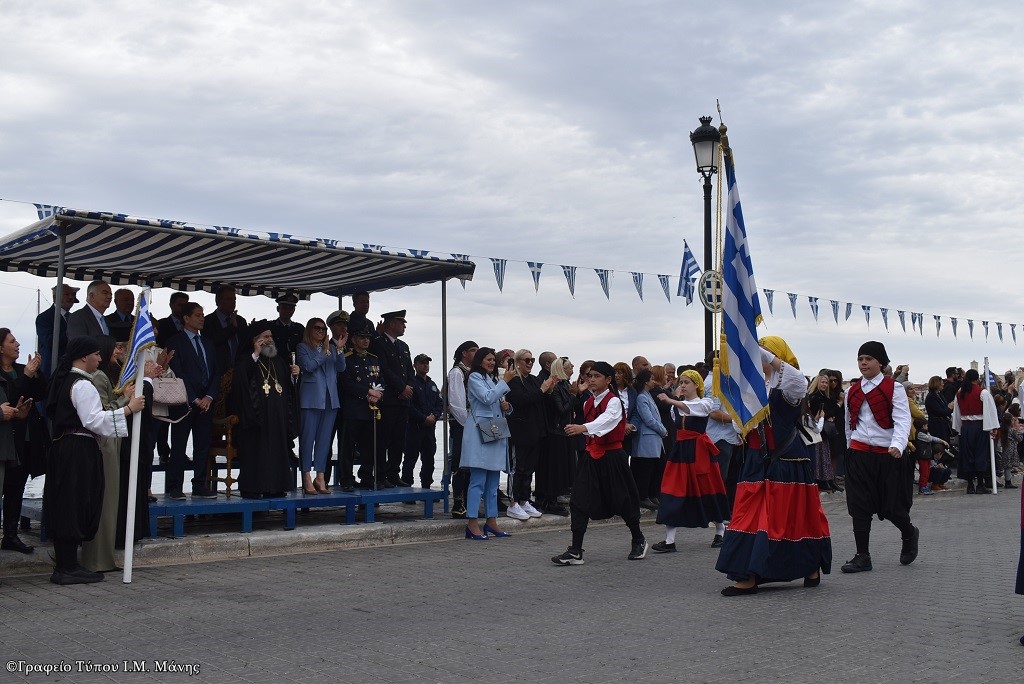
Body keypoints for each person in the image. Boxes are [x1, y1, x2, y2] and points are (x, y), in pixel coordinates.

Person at [715, 336, 831, 595]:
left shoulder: (789, 386)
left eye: (767, 351)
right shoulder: (752, 387)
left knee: (790, 518)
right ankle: (748, 572)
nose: (761, 355)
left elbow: (797, 379)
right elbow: (740, 426)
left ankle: (808, 566)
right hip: (756, 462)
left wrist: (749, 345)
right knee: (748, 516)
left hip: (786, 462)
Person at [44, 336, 145, 585]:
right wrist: (129, 409)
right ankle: (66, 567)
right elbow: (93, 419)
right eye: (96, 354)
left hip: (66, 447)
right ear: (83, 356)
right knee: (74, 503)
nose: (100, 358)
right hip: (77, 448)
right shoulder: (82, 384)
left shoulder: (67, 380)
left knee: (68, 502)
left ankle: (68, 564)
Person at [552, 361, 648, 565]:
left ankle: (638, 538)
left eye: (596, 376)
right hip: (590, 456)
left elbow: (608, 420)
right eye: (589, 376)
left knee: (623, 499)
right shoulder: (587, 402)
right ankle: (576, 550)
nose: (591, 379)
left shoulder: (613, 401)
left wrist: (583, 428)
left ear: (608, 380)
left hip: (613, 457)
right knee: (578, 500)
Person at [840, 340, 918, 575]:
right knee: (859, 505)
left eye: (869, 359)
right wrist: (850, 447)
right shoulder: (851, 391)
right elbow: (849, 423)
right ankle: (862, 555)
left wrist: (897, 444)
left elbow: (904, 419)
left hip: (888, 456)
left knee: (892, 507)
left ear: (880, 362)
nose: (863, 363)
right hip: (860, 454)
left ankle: (909, 532)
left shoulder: (894, 388)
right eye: (860, 359)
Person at [654, 369, 728, 551]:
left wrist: (672, 399)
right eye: (681, 382)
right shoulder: (676, 407)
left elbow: (695, 410)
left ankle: (721, 531)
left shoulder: (705, 403)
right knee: (672, 490)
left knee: (708, 490)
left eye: (686, 382)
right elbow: (679, 413)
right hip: (680, 452)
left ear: (697, 385)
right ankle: (669, 540)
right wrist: (674, 401)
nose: (683, 385)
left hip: (699, 452)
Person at [230, 321, 299, 498]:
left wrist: (294, 377)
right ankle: (254, 488)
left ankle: (276, 487)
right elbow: (241, 381)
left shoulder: (278, 361)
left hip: (277, 416)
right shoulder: (247, 358)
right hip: (257, 418)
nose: (270, 340)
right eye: (265, 337)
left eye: (271, 337)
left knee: (277, 450)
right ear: (255, 340)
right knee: (257, 452)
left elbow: (288, 388)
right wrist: (255, 354)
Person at [81, 335, 132, 572]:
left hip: (110, 440)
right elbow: (104, 411)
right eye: (112, 350)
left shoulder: (105, 374)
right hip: (106, 443)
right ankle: (99, 559)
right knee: (106, 502)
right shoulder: (99, 376)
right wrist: (126, 400)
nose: (113, 354)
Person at [166, 303, 221, 499]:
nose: (202, 318)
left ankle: (199, 485)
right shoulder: (175, 342)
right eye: (197, 315)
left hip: (206, 403)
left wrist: (209, 396)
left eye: (203, 315)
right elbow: (177, 372)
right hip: (184, 403)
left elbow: (216, 372)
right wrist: (194, 398)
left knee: (202, 446)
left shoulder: (208, 342)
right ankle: (175, 486)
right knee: (179, 445)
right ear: (186, 319)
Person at [0, 329, 46, 555]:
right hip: (6, 442)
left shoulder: (22, 369)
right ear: (1, 348)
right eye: (12, 341)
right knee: (4, 485)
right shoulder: (7, 374)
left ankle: (11, 534)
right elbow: (8, 399)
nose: (18, 344)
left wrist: (36, 374)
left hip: (27, 439)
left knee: (16, 488)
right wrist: (26, 376)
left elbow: (41, 394)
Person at [461, 347, 513, 540]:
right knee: (478, 480)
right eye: (488, 359)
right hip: (479, 431)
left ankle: (491, 521)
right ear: (480, 360)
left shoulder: (493, 379)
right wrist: (505, 382)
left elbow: (497, 402)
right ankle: (472, 522)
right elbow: (486, 398)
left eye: (493, 360)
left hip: (495, 429)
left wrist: (507, 407)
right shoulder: (474, 377)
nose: (492, 363)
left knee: (493, 480)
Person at [296, 317, 347, 495]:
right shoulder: (303, 347)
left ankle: (320, 475)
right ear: (309, 330)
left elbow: (341, 368)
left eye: (323, 329)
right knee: (307, 439)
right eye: (317, 329)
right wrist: (324, 352)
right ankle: (306, 476)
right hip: (311, 399)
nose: (321, 332)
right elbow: (309, 366)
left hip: (330, 399)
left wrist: (339, 349)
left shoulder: (332, 348)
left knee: (325, 441)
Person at [505, 348, 554, 520]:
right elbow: (521, 400)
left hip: (535, 431)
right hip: (519, 432)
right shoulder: (513, 381)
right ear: (517, 362)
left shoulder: (533, 380)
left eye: (532, 360)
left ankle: (524, 500)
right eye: (526, 360)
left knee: (529, 469)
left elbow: (540, 400)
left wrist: (548, 391)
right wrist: (542, 390)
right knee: (517, 469)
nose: (530, 363)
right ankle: (513, 502)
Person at [370, 310, 415, 487]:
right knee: (383, 440)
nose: (404, 326)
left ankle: (393, 473)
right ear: (390, 324)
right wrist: (401, 387)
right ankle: (380, 476)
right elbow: (384, 370)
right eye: (400, 322)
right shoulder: (378, 344)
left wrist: (409, 387)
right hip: (388, 399)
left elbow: (409, 371)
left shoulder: (403, 346)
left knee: (398, 441)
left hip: (403, 401)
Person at [340, 322, 386, 489]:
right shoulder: (347, 359)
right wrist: (368, 392)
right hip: (354, 409)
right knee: (348, 448)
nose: (366, 341)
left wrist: (378, 394)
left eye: (367, 338)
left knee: (369, 447)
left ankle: (367, 477)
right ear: (354, 339)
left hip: (371, 410)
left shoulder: (374, 359)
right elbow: (347, 383)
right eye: (362, 338)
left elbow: (381, 380)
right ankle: (346, 479)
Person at [537, 357, 575, 516]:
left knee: (562, 469)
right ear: (561, 369)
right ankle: (550, 501)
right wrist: (573, 396)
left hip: (565, 431)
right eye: (569, 366)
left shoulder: (565, 385)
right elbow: (560, 410)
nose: (572, 368)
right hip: (556, 432)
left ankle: (554, 499)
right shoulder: (556, 387)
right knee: (555, 469)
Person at [445, 340, 478, 518]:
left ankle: (468, 501)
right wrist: (468, 424)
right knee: (460, 462)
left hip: (472, 423)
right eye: (473, 350)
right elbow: (456, 403)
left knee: (471, 463)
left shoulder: (473, 373)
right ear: (464, 353)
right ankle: (458, 503)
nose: (476, 353)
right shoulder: (457, 372)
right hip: (462, 424)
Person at [953, 368, 999, 494]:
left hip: (966, 427)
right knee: (980, 455)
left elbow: (956, 413)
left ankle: (970, 485)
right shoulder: (982, 392)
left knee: (967, 455)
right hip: (979, 427)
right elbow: (990, 411)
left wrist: (959, 428)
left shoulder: (960, 392)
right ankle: (980, 484)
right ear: (977, 379)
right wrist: (993, 427)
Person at [403, 354, 444, 488]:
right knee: (410, 459)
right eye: (422, 363)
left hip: (429, 429)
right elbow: (409, 406)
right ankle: (407, 486)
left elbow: (440, 403)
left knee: (429, 459)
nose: (425, 365)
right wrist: (423, 418)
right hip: (414, 428)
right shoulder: (411, 383)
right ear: (415, 365)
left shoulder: (432, 384)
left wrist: (435, 416)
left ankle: (427, 485)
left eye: (427, 363)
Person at [629, 369, 667, 511]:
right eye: (651, 379)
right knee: (645, 469)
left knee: (653, 469)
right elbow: (648, 419)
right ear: (646, 381)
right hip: (647, 439)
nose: (653, 381)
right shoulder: (641, 397)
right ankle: (643, 496)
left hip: (654, 439)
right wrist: (662, 429)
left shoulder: (647, 395)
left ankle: (650, 495)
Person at [36, 283, 80, 377]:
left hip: (73, 370)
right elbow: (49, 341)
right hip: (53, 371)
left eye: (72, 295)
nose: (70, 297)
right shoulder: (44, 318)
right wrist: (72, 332)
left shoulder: (74, 318)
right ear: (55, 297)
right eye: (67, 294)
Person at [203, 285, 247, 373]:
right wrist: (232, 328)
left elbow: (245, 345)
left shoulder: (241, 321)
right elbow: (213, 341)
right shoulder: (207, 321)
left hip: (239, 372)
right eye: (229, 299)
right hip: (217, 372)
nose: (233, 302)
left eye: (234, 299)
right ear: (218, 301)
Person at [270, 294, 305, 363]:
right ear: (278, 309)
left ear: (294, 310)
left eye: (291, 308)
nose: (287, 310)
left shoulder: (299, 328)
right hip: (275, 365)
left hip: (295, 366)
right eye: (284, 307)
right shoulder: (270, 326)